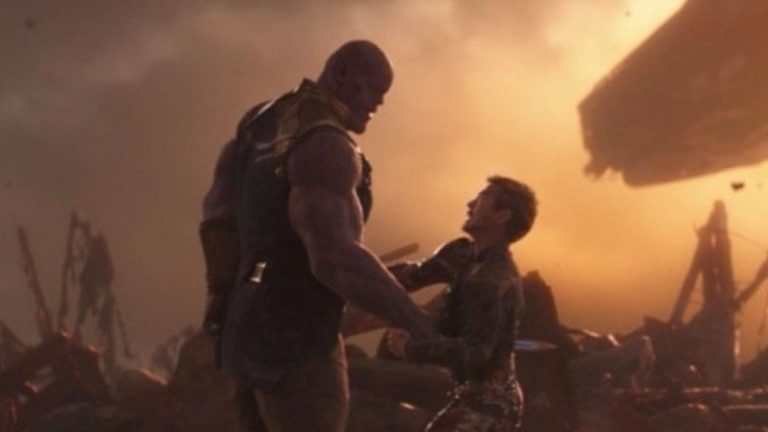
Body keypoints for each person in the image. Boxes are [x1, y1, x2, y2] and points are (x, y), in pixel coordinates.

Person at [199, 40, 435, 432]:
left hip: (245, 329)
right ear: (341, 75)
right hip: (299, 338)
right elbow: (334, 259)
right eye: (374, 89)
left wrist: (221, 304)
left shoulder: (259, 121)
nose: (378, 103)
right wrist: (416, 321)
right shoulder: (327, 145)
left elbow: (219, 221)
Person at [387, 176, 537, 431]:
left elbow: (475, 353)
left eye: (482, 198)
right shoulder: (462, 255)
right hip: (468, 397)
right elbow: (408, 277)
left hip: (489, 405)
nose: (470, 204)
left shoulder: (493, 279)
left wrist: (411, 348)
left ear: (501, 216)